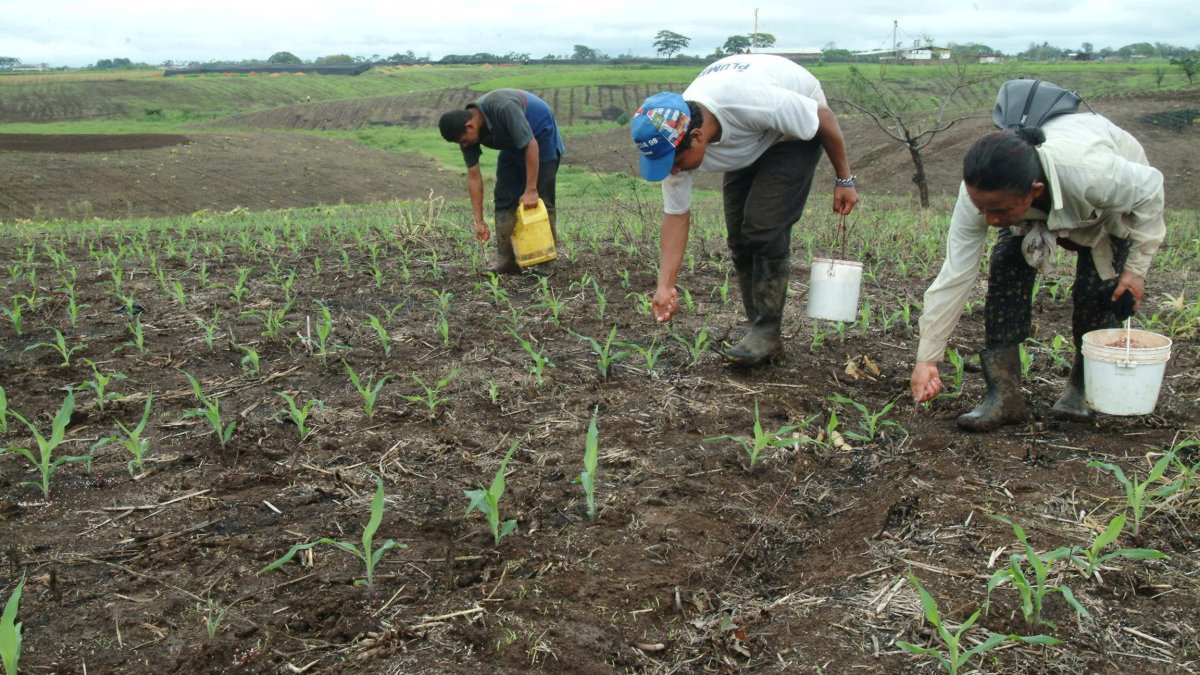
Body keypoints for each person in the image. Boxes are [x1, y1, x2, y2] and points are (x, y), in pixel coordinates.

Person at [909, 112, 1165, 431]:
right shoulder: (981, 193)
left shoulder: (1094, 174)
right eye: (981, 209)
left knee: (1097, 292)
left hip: (1102, 210)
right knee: (1004, 270)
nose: (988, 219)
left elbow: (1151, 188)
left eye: (998, 211)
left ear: (1035, 190)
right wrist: (927, 359)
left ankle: (1081, 390)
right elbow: (955, 275)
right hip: (1037, 206)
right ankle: (1003, 396)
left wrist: (1136, 271)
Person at [630, 54, 859, 366]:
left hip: (792, 133)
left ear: (697, 138)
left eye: (675, 163)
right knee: (739, 238)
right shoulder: (672, 137)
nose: (673, 172)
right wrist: (665, 285)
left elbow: (823, 118)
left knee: (763, 227)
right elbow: (676, 216)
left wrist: (844, 178)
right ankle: (761, 334)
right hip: (751, 139)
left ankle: (766, 330)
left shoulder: (752, 103)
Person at [439, 89, 565, 274]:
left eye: (464, 141)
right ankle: (508, 262)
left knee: (541, 200)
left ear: (470, 126)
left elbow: (531, 145)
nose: (464, 146)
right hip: (512, 145)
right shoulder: (465, 132)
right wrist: (479, 220)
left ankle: (546, 262)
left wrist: (530, 189)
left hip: (540, 136)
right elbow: (474, 176)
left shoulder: (503, 107)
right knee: (504, 198)